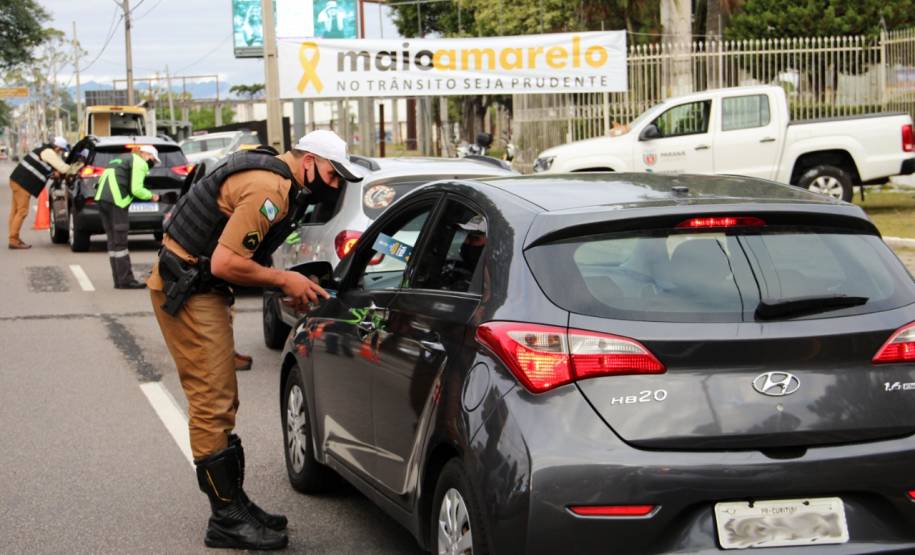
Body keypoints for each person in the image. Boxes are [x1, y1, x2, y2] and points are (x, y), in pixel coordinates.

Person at [148, 130, 362, 550]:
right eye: (333, 175)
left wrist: (292, 280)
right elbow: (228, 262)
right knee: (212, 399)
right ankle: (226, 518)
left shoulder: (275, 175)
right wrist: (284, 279)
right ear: (309, 162)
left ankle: (235, 503)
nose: (333, 185)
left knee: (223, 398)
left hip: (200, 286)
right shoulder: (271, 187)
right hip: (190, 291)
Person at [94, 145, 161, 289]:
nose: (151, 164)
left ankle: (118, 279)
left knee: (113, 242)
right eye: (152, 160)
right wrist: (151, 196)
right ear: (146, 154)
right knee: (120, 243)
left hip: (102, 200)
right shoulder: (139, 162)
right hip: (116, 201)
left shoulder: (121, 158)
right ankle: (126, 280)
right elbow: (136, 189)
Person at [8, 136, 73, 249]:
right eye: (61, 150)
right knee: (22, 211)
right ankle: (13, 239)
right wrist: (75, 168)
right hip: (23, 183)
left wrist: (53, 173)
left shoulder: (42, 150)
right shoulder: (49, 152)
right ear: (57, 147)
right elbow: (64, 168)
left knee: (15, 211)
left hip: (16, 180)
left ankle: (13, 237)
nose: (61, 152)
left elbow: (42, 167)